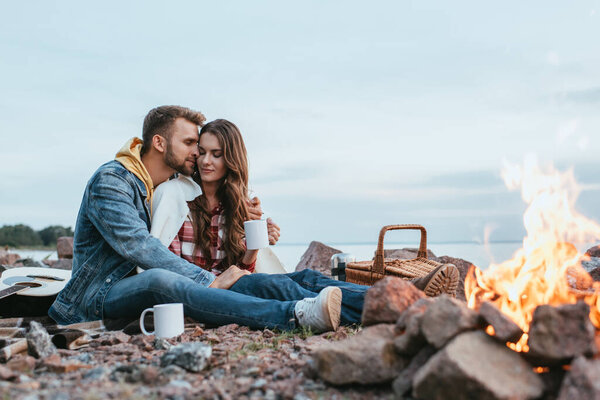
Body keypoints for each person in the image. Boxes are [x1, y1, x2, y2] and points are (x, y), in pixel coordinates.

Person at [48, 105, 346, 333]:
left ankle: (368, 302)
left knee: (298, 279)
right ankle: (292, 316)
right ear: (160, 143)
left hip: (126, 291)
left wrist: (247, 239)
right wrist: (210, 280)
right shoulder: (113, 180)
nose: (198, 154)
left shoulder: (154, 187)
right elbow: (139, 246)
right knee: (160, 280)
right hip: (94, 297)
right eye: (191, 143)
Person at [149, 119, 460, 326]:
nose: (205, 161)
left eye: (216, 154)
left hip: (233, 284)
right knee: (278, 285)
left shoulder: (238, 204)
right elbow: (168, 269)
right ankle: (400, 302)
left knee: (308, 277)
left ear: (231, 158)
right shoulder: (179, 199)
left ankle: (397, 297)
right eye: (201, 152)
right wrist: (223, 277)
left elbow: (241, 266)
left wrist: (254, 248)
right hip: (204, 294)